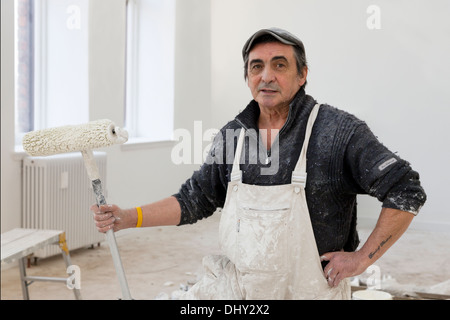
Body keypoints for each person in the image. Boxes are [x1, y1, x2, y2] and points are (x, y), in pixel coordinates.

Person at [92, 28, 426, 299]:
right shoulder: (233, 136)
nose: (266, 76)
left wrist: (361, 260)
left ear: (302, 75)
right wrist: (127, 217)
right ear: (248, 77)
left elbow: (405, 190)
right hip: (242, 294)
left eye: (280, 65)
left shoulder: (337, 131)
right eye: (256, 66)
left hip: (312, 292)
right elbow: (196, 199)